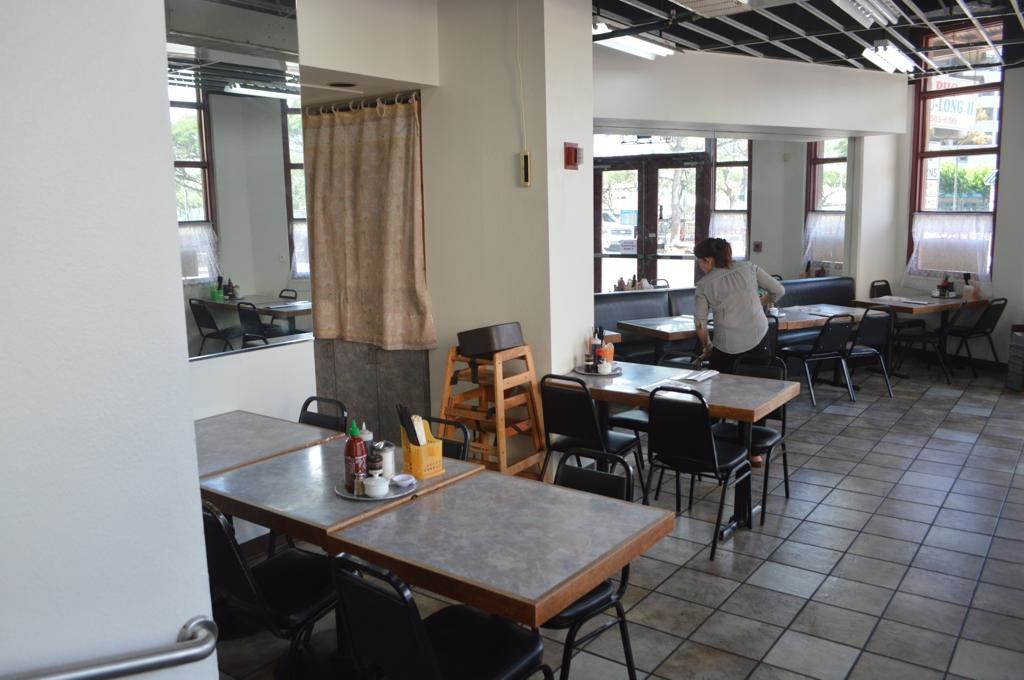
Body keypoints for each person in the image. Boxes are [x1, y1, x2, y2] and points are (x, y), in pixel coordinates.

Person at [693, 238, 784, 374]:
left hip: (726, 346)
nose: (699, 266)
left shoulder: (703, 285)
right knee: (758, 384)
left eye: (699, 261)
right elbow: (779, 290)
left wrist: (707, 346)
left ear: (709, 260)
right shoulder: (749, 267)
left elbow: (700, 324)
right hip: (759, 338)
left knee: (720, 385)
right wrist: (760, 302)